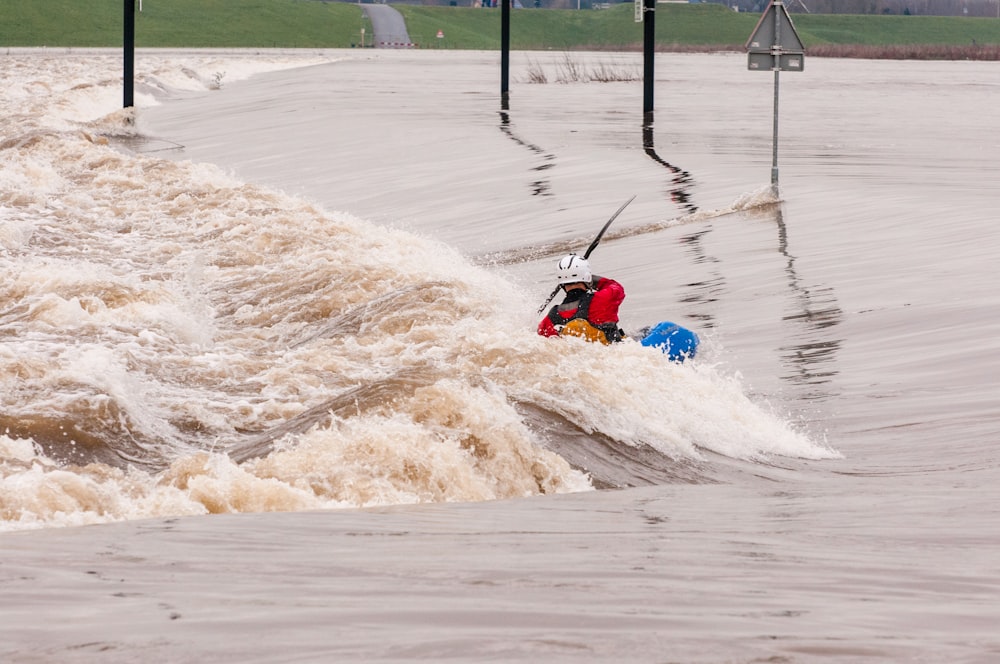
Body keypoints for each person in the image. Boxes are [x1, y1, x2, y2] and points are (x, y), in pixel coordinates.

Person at [537, 254, 626, 345]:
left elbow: (541, 336)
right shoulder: (603, 299)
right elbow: (616, 287)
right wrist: (591, 279)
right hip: (613, 350)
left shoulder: (551, 317)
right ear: (587, 277)